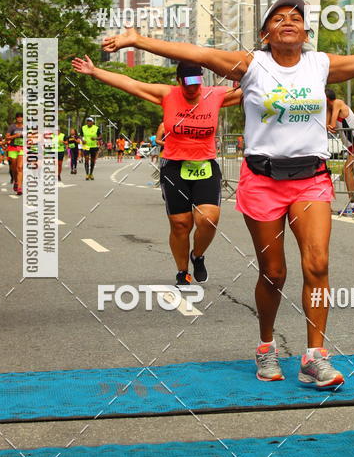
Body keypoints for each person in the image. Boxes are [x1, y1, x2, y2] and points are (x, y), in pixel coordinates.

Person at [100, 0, 354, 389]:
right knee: (274, 273)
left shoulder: (320, 65)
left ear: (306, 33)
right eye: (278, 19)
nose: (288, 22)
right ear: (266, 34)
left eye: (296, 18)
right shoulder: (251, 65)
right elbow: (196, 52)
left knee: (317, 265)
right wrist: (139, 41)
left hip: (310, 179)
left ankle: (315, 356)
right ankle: (266, 346)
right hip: (262, 180)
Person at [71, 56, 242, 285]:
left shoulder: (215, 94)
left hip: (205, 165)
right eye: (187, 84)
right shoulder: (167, 94)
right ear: (178, 81)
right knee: (181, 224)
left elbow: (254, 89)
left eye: (196, 84)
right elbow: (129, 83)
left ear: (202, 81)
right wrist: (95, 71)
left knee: (208, 220)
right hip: (174, 167)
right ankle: (183, 272)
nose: (193, 89)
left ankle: (197, 256)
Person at [326, 89, 354, 215]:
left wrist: (329, 125)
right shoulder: (330, 109)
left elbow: (331, 125)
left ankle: (353, 202)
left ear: (326, 99)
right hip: (351, 144)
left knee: (347, 169)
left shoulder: (338, 103)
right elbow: (327, 127)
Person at [7, 113, 24, 194]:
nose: (20, 118)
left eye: (21, 117)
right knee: (14, 167)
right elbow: (7, 137)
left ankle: (20, 187)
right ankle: (16, 181)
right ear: (16, 118)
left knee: (20, 167)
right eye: (18, 117)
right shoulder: (12, 127)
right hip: (13, 148)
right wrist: (15, 136)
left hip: (22, 148)